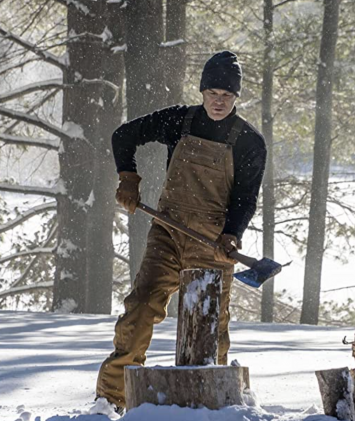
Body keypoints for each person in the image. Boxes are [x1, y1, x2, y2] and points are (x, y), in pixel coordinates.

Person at [93, 50, 267, 415]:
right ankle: (110, 401)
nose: (218, 102)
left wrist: (232, 234)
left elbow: (246, 198)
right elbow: (123, 136)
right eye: (212, 93)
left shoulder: (249, 141)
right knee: (140, 308)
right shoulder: (179, 120)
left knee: (210, 330)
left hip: (214, 244)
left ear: (237, 97)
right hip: (168, 234)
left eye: (227, 96)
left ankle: (217, 406)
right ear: (202, 91)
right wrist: (128, 176)